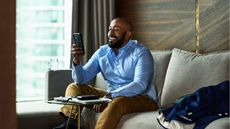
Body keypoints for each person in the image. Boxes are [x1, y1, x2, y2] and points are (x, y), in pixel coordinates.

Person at [60, 17, 158, 129]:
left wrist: (110, 96)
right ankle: (71, 124)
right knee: (74, 88)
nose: (110, 33)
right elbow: (80, 79)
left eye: (116, 29)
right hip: (111, 96)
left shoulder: (141, 52)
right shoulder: (102, 52)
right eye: (110, 29)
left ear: (128, 35)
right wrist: (77, 61)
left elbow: (140, 85)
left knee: (117, 102)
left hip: (142, 98)